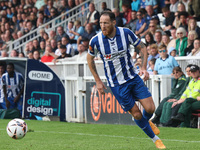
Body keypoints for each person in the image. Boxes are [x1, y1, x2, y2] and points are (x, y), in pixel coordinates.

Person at [87, 11, 166, 149]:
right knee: (136, 113)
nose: (102, 26)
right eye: (100, 23)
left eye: (105, 23)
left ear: (113, 22)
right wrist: (98, 81)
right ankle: (155, 139)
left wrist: (143, 67)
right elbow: (89, 59)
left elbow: (142, 47)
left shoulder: (126, 33)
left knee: (150, 108)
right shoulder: (96, 40)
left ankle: (146, 122)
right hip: (117, 85)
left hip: (133, 78)